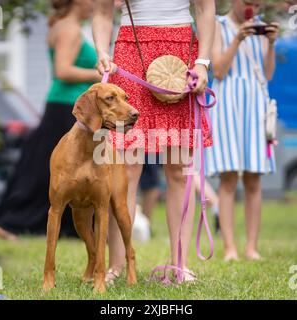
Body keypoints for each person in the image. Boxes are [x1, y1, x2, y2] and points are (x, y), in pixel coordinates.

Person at [93, 0, 215, 282]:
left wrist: (203, 62)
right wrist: (102, 51)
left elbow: (206, 8)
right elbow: (101, 11)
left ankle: (180, 264)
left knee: (179, 169)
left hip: (181, 54)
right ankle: (117, 265)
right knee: (127, 170)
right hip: (130, 53)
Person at [0, 0, 99, 239]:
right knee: (57, 168)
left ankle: (62, 222)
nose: (94, 4)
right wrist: (100, 74)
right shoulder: (69, 29)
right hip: (68, 107)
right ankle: (18, 219)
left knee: (45, 163)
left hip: (63, 105)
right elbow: (62, 70)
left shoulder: (64, 26)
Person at [206, 0, 279, 261]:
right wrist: (237, 39)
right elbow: (219, 69)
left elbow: (268, 74)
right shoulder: (217, 25)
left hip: (255, 105)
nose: (253, 8)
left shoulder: (261, 29)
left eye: (258, 4)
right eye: (248, 2)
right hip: (227, 104)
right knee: (228, 179)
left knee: (253, 178)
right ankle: (230, 248)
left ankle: (251, 246)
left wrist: (270, 43)